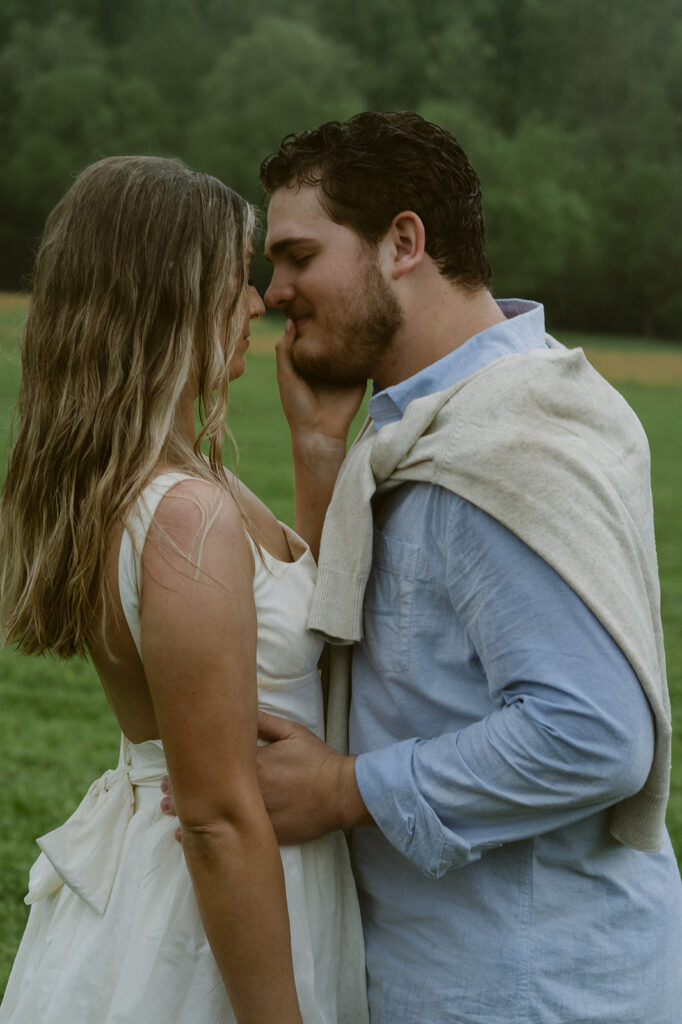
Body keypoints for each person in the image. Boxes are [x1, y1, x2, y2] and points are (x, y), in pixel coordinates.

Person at [249, 112, 682, 1023]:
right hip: (468, 972)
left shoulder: (508, 442)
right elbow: (397, 656)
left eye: (295, 255)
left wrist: (340, 788)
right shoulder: (453, 422)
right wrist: (323, 451)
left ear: (403, 241)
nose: (270, 292)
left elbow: (593, 735)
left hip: (529, 988)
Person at [0, 156, 368, 1024]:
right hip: (212, 921)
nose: (256, 301)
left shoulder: (161, 479)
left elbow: (276, 639)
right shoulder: (184, 514)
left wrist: (317, 451)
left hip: (198, 879)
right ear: (164, 298)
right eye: (228, 279)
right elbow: (213, 816)